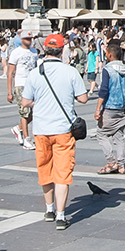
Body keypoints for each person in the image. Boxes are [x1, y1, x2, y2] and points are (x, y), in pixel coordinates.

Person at [22, 32, 87, 230]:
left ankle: (49, 209)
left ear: (45, 50)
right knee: (62, 172)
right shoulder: (70, 72)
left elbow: (25, 102)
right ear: (61, 51)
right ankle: (61, 215)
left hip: (41, 130)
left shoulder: (35, 73)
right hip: (63, 130)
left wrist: (39, 102)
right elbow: (83, 99)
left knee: (45, 169)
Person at [93, 42, 125, 174]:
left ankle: (111, 162)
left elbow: (103, 90)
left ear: (110, 55)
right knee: (119, 136)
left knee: (101, 134)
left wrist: (98, 109)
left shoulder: (107, 69)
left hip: (109, 107)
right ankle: (121, 165)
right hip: (121, 108)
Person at [5, 32, 39, 146]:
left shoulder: (34, 52)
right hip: (20, 84)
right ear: (22, 39)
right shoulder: (16, 53)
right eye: (27, 39)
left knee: (37, 110)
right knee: (24, 112)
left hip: (33, 84)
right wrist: (10, 92)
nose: (29, 41)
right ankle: (26, 139)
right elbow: (10, 73)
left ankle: (18, 128)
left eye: (30, 38)